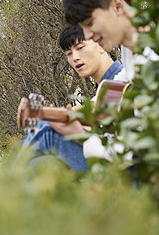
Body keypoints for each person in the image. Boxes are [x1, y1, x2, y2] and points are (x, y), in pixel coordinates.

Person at [19, 24, 128, 171]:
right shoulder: (102, 89)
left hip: (121, 166)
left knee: (46, 131)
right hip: (106, 156)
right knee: (34, 157)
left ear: (101, 45)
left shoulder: (121, 83)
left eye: (80, 48)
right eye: (69, 53)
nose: (75, 58)